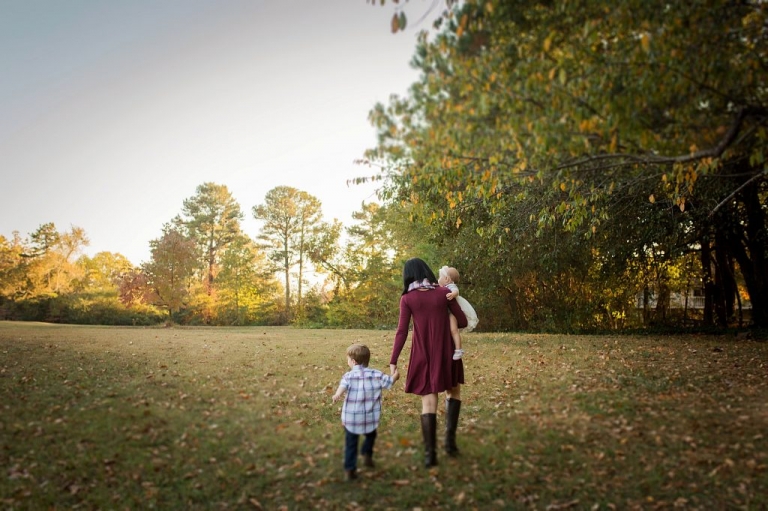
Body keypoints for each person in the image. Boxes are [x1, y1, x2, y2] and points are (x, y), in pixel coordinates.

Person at [389, 258, 468, 468]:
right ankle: (450, 444)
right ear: (428, 272)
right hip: (448, 351)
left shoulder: (407, 298)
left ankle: (429, 454)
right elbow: (462, 322)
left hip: (423, 354)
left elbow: (402, 331)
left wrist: (393, 360)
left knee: (428, 401)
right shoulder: (444, 293)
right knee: (453, 392)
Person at [332, 343, 399, 481]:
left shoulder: (348, 376)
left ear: (353, 361)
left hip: (352, 418)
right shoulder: (376, 374)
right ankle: (366, 453)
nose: (348, 361)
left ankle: (350, 469)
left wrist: (337, 395)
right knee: (371, 436)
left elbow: (342, 387)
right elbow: (389, 382)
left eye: (348, 359)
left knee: (351, 443)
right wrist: (395, 375)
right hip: (369, 417)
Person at [438, 266, 479, 361]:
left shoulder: (451, 286)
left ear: (447, 279)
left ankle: (458, 349)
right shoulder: (443, 286)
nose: (438, 279)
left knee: (453, 330)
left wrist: (453, 294)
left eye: (440, 277)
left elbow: (456, 291)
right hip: (447, 312)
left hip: (452, 312)